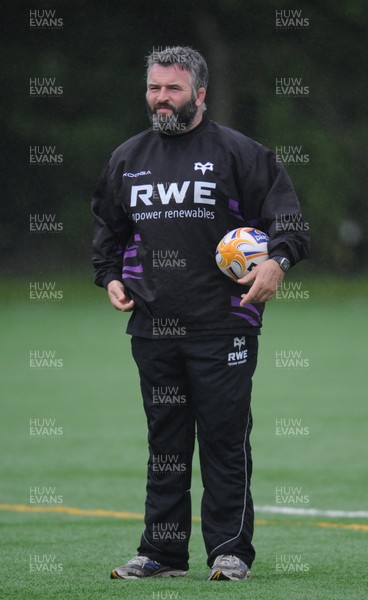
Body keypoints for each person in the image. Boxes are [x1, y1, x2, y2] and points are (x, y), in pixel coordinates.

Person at [91, 45, 310, 582]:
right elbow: (108, 233)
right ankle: (161, 555)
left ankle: (229, 553)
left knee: (223, 441)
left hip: (223, 325)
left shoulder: (240, 153)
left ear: (200, 94)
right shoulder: (127, 158)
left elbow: (290, 223)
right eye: (153, 88)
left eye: (173, 89)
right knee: (164, 444)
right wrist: (111, 277)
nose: (161, 99)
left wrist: (277, 263)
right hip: (153, 327)